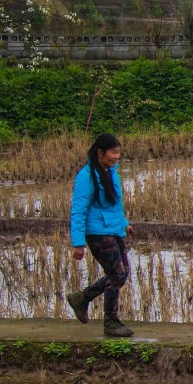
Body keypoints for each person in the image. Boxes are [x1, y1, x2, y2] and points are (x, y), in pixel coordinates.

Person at [66, 132, 134, 338]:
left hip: (113, 230)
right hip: (97, 233)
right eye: (113, 152)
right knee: (116, 275)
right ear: (100, 152)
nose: (116, 157)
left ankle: (82, 298)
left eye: (118, 153)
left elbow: (115, 205)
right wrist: (78, 243)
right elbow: (78, 211)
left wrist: (124, 224)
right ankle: (111, 323)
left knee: (124, 272)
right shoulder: (86, 177)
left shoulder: (111, 173)